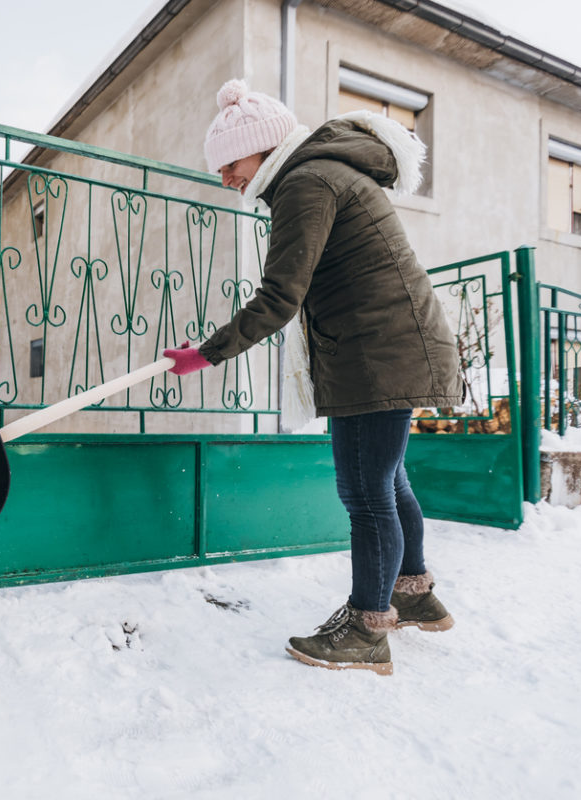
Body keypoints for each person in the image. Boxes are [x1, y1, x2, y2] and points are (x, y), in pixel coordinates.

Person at [163, 79, 462, 676]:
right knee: (388, 480)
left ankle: (367, 628)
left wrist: (207, 353)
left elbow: (279, 298)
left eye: (231, 163)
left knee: (365, 489)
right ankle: (413, 595)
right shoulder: (322, 174)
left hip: (377, 352)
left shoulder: (306, 182)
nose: (225, 177)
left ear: (263, 148)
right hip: (387, 347)